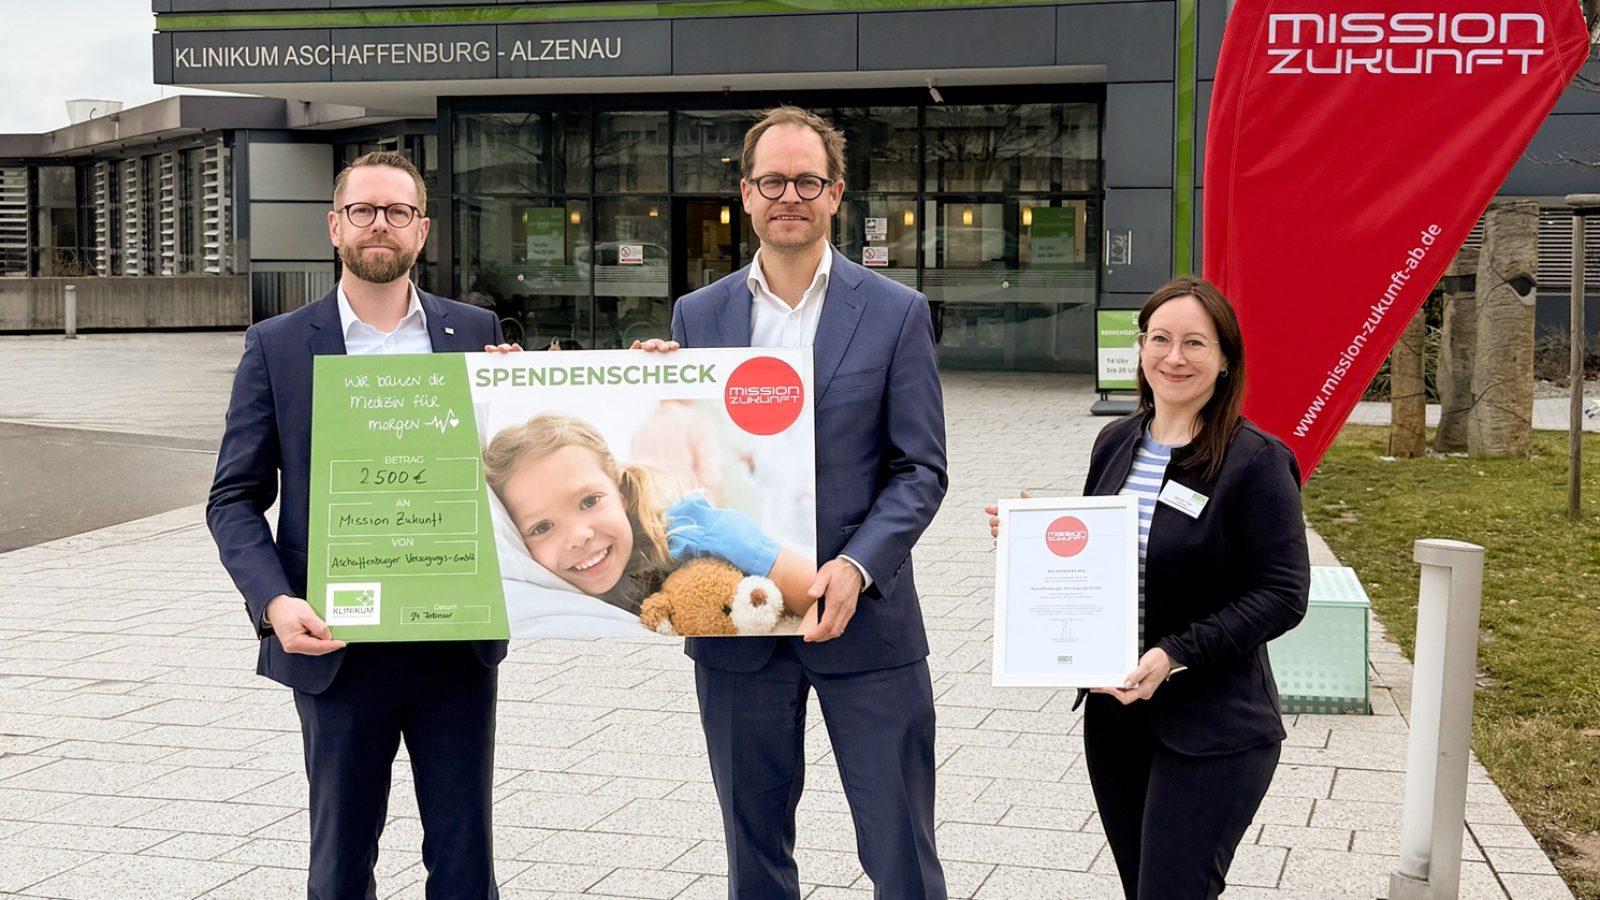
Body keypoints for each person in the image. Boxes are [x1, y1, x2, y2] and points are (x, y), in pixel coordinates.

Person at [638, 106, 950, 899]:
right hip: (737, 631)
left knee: (901, 855)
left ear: (835, 193)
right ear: (745, 195)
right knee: (755, 854)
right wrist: (643, 388)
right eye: (772, 180)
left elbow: (921, 469)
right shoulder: (697, 315)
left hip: (862, 624)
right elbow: (682, 449)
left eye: (807, 181)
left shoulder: (894, 312)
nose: (790, 196)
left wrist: (856, 566)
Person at [207, 151, 520, 900]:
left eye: (398, 212)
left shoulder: (475, 332)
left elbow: (522, 467)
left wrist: (521, 398)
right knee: (341, 861)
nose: (381, 224)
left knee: (466, 858)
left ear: (423, 230)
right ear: (334, 226)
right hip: (335, 642)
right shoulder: (278, 345)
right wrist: (275, 603)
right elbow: (233, 498)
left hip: (454, 640)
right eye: (364, 210)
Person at [985, 275, 1309, 899]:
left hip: (1213, 725)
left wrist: (1175, 654)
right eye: (1160, 338)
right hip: (1116, 717)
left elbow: (1282, 593)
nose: (1174, 357)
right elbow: (1100, 564)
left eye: (1195, 342)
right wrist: (1033, 542)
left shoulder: (1256, 461)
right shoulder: (1116, 443)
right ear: (1140, 349)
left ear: (1225, 359)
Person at [481, 412, 816, 622]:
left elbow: (815, 595)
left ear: (621, 491)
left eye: (589, 502)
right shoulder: (540, 592)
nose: (579, 535)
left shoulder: (697, 534)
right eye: (542, 527)